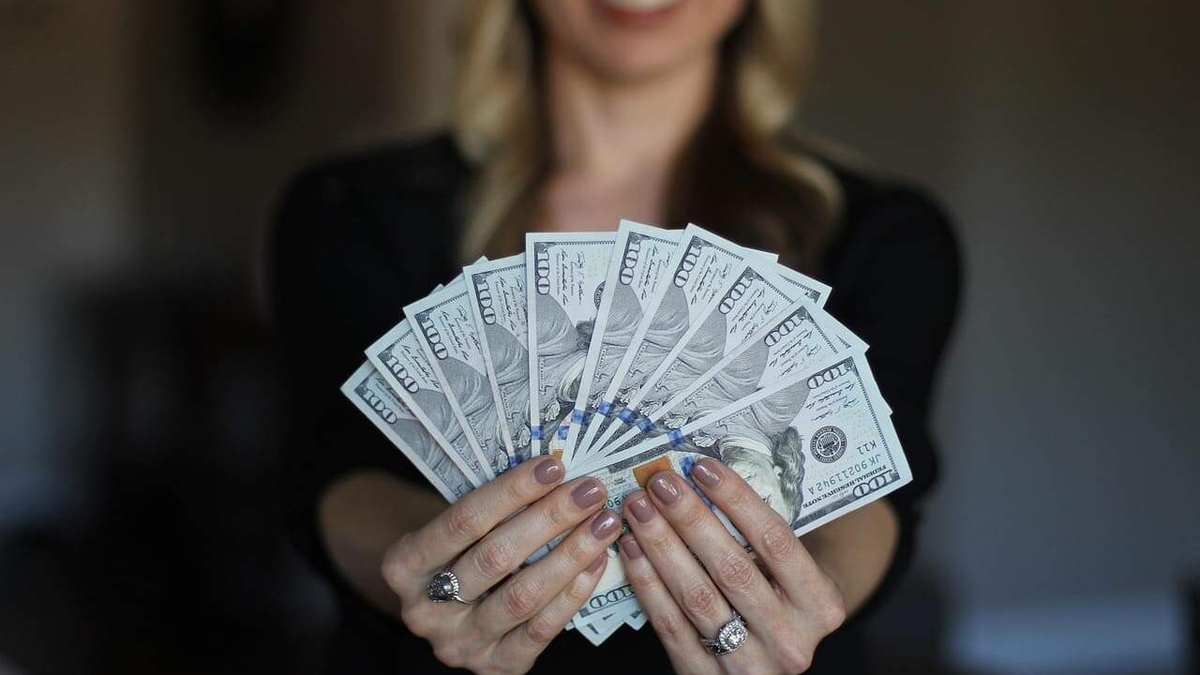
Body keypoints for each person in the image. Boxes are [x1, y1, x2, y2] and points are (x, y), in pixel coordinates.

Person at [270, 0, 960, 673]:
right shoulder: (349, 212)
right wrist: (438, 565)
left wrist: (814, 592)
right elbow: (335, 470)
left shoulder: (884, 237)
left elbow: (879, 492)